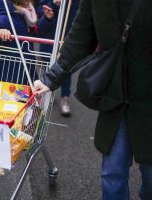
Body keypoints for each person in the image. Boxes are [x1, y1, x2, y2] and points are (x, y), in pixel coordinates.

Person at [34, 0, 152, 199]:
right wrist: (51, 78)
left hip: (148, 99)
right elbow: (80, 37)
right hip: (115, 96)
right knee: (112, 175)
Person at [0, 0, 54, 84]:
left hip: (27, 70)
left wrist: (46, 19)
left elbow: (36, 33)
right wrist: (1, 32)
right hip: (8, 75)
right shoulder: (5, 17)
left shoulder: (25, 16)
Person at [37, 0, 80, 116]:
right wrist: (53, 5)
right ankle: (47, 94)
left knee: (66, 67)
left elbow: (81, 13)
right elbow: (40, 9)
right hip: (50, 35)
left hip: (68, 33)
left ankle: (65, 97)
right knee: (48, 64)